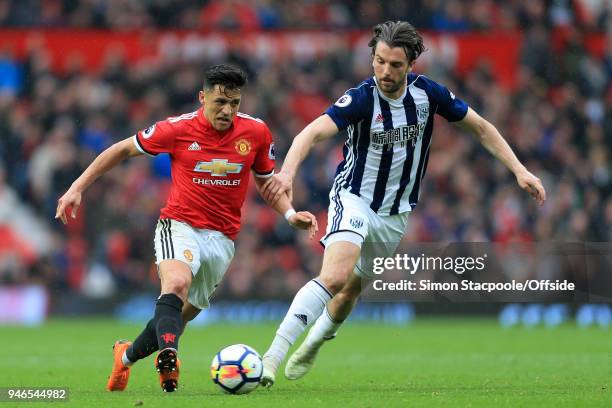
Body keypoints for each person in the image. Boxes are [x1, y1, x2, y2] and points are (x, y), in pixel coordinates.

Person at [259, 20, 546, 386]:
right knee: (334, 276)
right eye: (379, 61)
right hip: (354, 198)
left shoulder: (430, 95)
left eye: (394, 65)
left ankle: (314, 342)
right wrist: (287, 174)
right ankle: (272, 357)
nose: (384, 71)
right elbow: (310, 133)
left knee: (350, 291)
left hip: (396, 214)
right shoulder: (362, 98)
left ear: (411, 65)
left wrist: (519, 171)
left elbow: (482, 128)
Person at [55, 64, 318, 393]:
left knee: (180, 317)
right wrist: (77, 187)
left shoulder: (256, 133)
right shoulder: (176, 129)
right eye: (220, 102)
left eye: (234, 103)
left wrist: (290, 214)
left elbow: (267, 184)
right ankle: (170, 360)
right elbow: (122, 149)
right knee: (176, 284)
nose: (227, 110)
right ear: (202, 97)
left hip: (223, 239)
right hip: (179, 225)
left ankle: (125, 357)